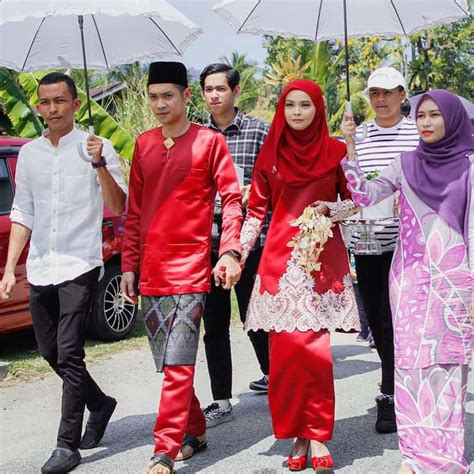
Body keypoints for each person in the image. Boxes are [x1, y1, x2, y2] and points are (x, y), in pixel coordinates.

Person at [341, 89, 473, 473]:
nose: (427, 122)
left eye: (435, 115)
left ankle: (446, 456)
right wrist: (350, 144)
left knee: (448, 367)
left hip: (454, 280)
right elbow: (365, 197)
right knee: (411, 366)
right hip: (410, 280)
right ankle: (415, 455)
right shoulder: (404, 163)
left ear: (452, 118)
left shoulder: (469, 165)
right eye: (420, 116)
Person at [120, 61, 242, 474]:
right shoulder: (142, 144)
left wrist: (228, 252)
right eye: (153, 97)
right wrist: (129, 265)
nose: (159, 104)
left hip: (191, 269)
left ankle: (164, 450)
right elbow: (134, 212)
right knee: (170, 362)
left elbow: (233, 201)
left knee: (177, 363)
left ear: (185, 96)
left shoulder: (209, 143)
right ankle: (196, 429)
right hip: (151, 272)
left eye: (167, 96)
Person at [0, 72, 126, 473]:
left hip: (79, 264)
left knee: (70, 351)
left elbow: (118, 205)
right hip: (40, 266)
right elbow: (23, 213)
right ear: (38, 107)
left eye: (60, 101)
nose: (53, 108)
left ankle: (66, 446)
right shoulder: (31, 154)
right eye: (46, 102)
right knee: (51, 352)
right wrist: (8, 269)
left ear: (74, 103)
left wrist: (99, 165)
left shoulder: (98, 147)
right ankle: (101, 403)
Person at [239, 79, 360, 471]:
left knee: (315, 354)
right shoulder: (269, 154)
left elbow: (355, 202)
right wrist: (236, 254)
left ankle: (319, 434)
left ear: (318, 109)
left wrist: (330, 207)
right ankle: (297, 433)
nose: (296, 112)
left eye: (305, 105)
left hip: (321, 265)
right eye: (290, 104)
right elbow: (256, 212)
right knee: (286, 359)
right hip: (280, 266)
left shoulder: (337, 151)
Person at [346, 67, 419, 433]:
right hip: (368, 237)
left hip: (410, 240)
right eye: (374, 92)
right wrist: (348, 145)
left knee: (401, 319)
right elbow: (352, 186)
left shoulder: (417, 133)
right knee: (376, 320)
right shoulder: (357, 134)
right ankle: (392, 385)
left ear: (402, 94)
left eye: (388, 92)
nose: (380, 99)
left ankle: (392, 394)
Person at [199, 63, 270, 427]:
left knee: (254, 316)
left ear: (236, 91)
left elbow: (278, 180)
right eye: (208, 89)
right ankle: (222, 399)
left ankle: (274, 375)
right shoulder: (195, 136)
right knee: (213, 324)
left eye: (220, 89)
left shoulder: (260, 132)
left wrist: (252, 193)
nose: (214, 95)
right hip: (207, 242)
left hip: (250, 240)